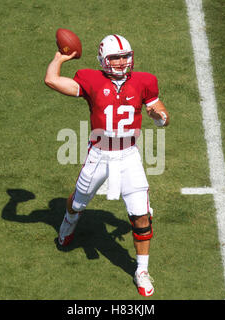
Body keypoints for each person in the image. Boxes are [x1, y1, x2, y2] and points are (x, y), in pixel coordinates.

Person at [44, 34, 170, 297]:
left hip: (128, 156)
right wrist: (60, 57)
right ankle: (68, 223)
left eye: (125, 56)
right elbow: (52, 80)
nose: (122, 62)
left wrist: (161, 117)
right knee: (78, 202)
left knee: (141, 217)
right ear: (103, 59)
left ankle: (142, 271)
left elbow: (157, 107)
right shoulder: (90, 79)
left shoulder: (145, 80)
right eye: (115, 57)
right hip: (99, 154)